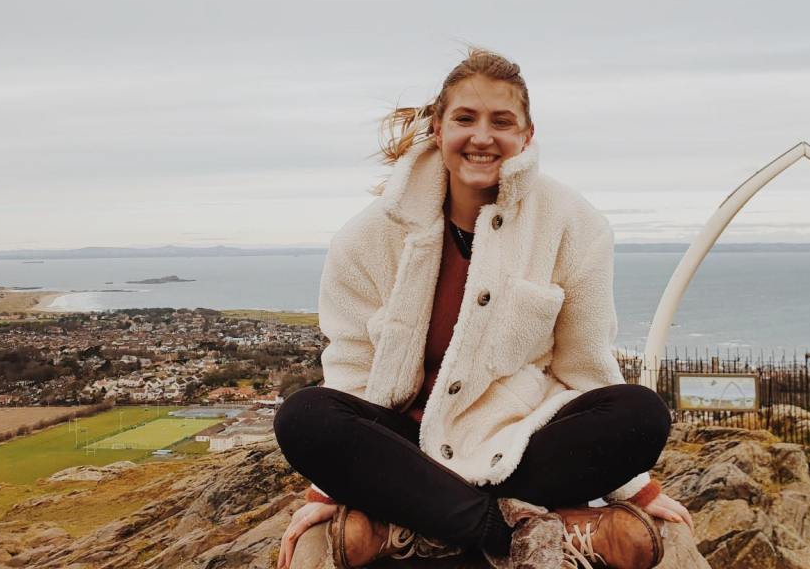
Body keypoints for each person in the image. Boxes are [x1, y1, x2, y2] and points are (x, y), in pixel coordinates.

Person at [273, 49, 693, 569]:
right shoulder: (369, 237)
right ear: (437, 127)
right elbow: (351, 370)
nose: (482, 137)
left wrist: (639, 489)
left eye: (502, 121)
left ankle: (406, 526)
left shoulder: (573, 224)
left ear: (527, 135)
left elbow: (586, 367)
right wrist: (326, 489)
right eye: (465, 119)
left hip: (518, 444)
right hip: (410, 449)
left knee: (640, 413)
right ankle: (532, 533)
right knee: (304, 416)